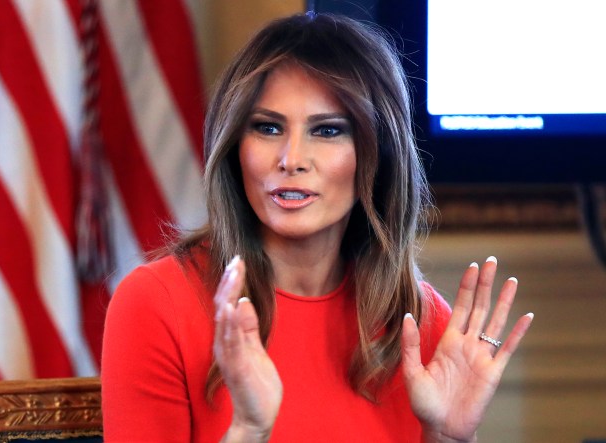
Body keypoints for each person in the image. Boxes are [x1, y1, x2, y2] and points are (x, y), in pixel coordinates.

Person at [101, 12, 534, 442]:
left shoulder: (424, 323)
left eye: (327, 130)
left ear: (376, 154)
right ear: (235, 145)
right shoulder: (156, 304)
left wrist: (449, 439)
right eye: (267, 127)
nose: (291, 158)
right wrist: (249, 430)